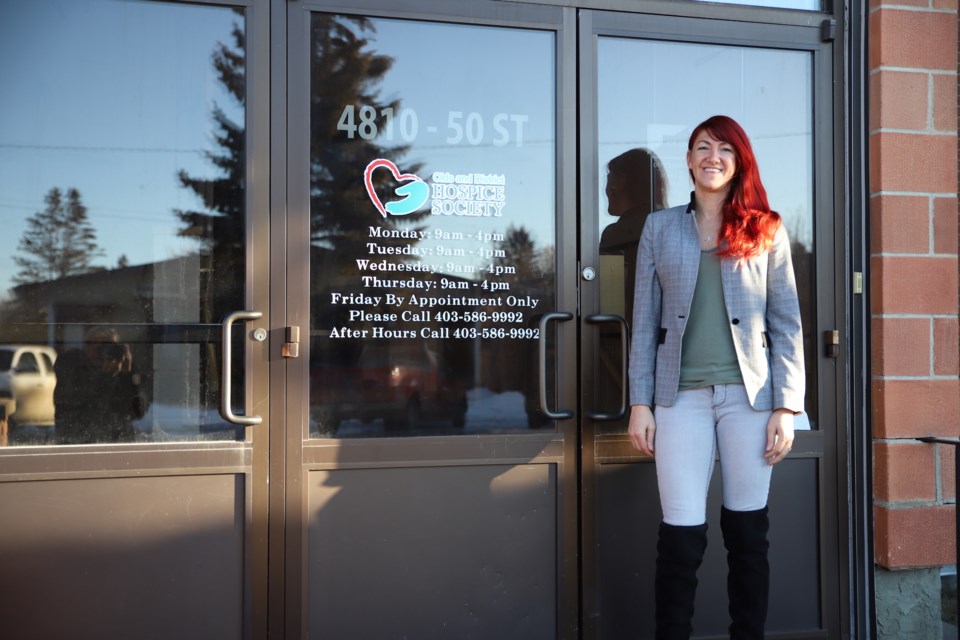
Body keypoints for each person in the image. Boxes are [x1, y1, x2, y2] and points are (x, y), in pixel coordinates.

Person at [627, 115, 805, 639]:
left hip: (750, 403)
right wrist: (641, 402)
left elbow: (786, 322)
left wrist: (786, 407)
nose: (712, 157)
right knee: (680, 539)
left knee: (748, 535)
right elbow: (643, 321)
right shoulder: (659, 228)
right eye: (702, 147)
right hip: (679, 400)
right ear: (688, 160)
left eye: (724, 148)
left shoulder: (766, 228)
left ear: (739, 160)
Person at [600, 147, 668, 324]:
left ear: (619, 182)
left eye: (608, 180)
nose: (605, 190)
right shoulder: (671, 227)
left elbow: (608, 306)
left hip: (622, 343)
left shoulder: (616, 235)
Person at [54, 326, 148, 444]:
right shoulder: (74, 370)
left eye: (109, 347)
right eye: (99, 347)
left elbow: (138, 412)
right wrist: (107, 377)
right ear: (86, 347)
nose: (104, 352)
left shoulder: (121, 371)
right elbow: (86, 415)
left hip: (119, 445)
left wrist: (127, 376)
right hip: (80, 447)